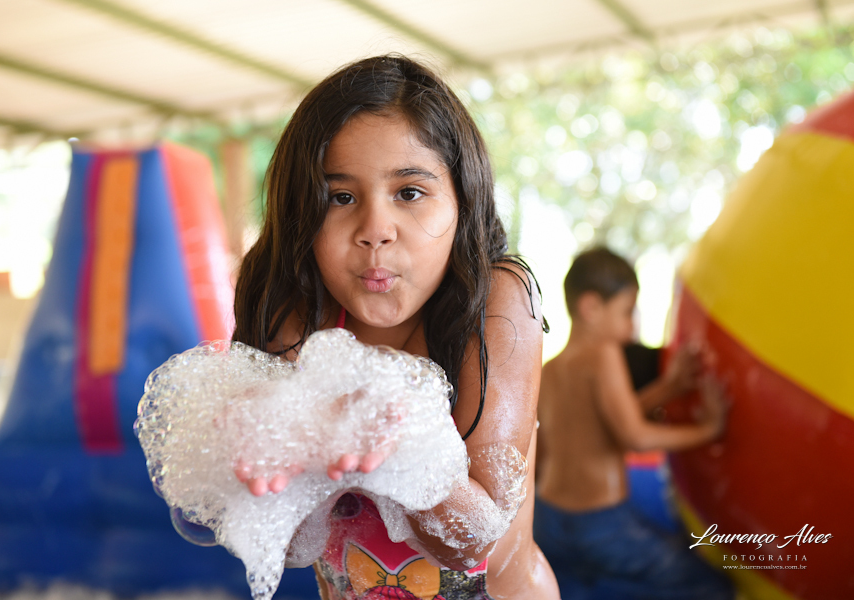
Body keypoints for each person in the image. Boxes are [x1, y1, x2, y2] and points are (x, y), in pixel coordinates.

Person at [230, 55, 560, 600]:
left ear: (462, 199)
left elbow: (473, 541)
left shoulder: (497, 302)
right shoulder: (298, 314)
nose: (375, 230)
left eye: (409, 193)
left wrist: (401, 445)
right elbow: (283, 544)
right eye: (340, 197)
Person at [534, 247, 734, 599]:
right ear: (591, 307)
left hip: (547, 519)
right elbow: (634, 435)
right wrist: (708, 430)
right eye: (627, 312)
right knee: (711, 585)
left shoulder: (550, 370)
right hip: (601, 524)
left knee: (569, 587)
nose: (631, 329)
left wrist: (669, 387)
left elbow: (604, 421)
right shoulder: (604, 354)